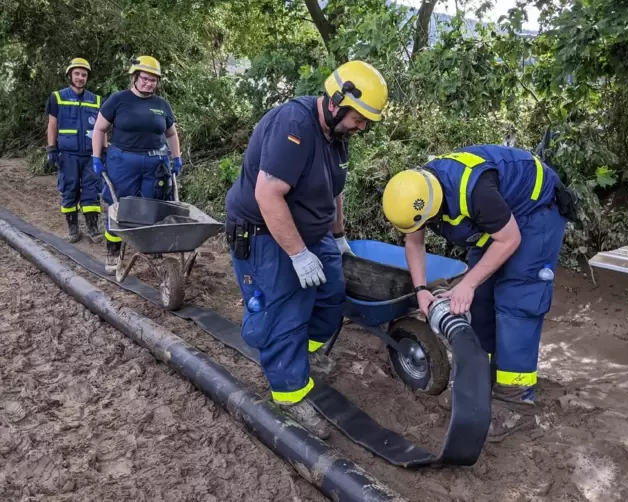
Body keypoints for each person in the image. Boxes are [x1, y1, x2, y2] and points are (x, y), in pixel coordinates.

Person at [224, 60, 388, 439]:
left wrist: (339, 235)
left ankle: (307, 353)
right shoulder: (294, 126)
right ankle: (289, 396)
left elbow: (335, 186)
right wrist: (298, 254)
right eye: (359, 118)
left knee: (331, 294)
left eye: (367, 122)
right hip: (265, 230)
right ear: (335, 102)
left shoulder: (338, 136)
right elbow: (268, 195)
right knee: (285, 311)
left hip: (314, 232)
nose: (361, 127)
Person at [381, 145, 578, 441]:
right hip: (496, 222)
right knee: (480, 297)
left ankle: (515, 404)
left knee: (517, 300)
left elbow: (509, 239)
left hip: (535, 212)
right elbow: (414, 243)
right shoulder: (415, 194)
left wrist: (467, 283)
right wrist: (421, 290)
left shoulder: (474, 191)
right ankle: (481, 379)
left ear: (435, 206)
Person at [91, 56, 183, 273]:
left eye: (153, 80)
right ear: (135, 77)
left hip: (156, 164)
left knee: (154, 206)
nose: (149, 83)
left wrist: (176, 157)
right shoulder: (118, 100)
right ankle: (113, 250)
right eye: (145, 78)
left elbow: (171, 133)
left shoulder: (162, 105)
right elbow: (99, 129)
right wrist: (96, 156)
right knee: (120, 207)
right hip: (123, 162)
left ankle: (153, 250)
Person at [46, 57, 104, 243]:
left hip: (89, 155)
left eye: (84, 75)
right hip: (68, 154)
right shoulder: (57, 97)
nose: (80, 77)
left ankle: (92, 227)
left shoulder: (96, 101)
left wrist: (104, 150)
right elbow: (52, 125)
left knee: (91, 190)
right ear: (70, 75)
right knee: (69, 189)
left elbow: (101, 128)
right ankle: (73, 228)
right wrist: (52, 148)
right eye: (77, 74)